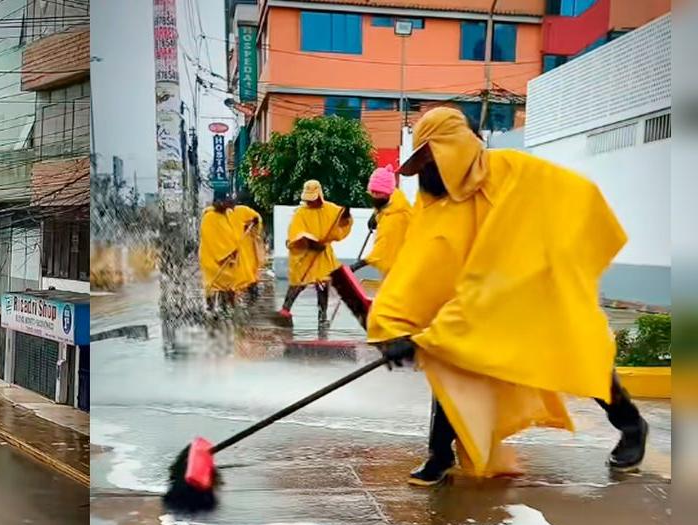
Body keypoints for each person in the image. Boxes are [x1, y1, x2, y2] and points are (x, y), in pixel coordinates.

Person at [368, 107, 648, 486]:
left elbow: (581, 199)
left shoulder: (515, 172)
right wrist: (391, 328)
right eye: (421, 163)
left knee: (581, 355)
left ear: (455, 148)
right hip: (476, 300)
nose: (426, 173)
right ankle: (440, 452)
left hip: (539, 293)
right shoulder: (440, 204)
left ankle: (631, 426)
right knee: (450, 357)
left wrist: (559, 258)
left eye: (431, 159)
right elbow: (417, 266)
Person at [278, 180, 352, 337]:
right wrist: (310, 243)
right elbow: (295, 234)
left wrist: (346, 214)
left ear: (320, 195)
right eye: (308, 199)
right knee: (298, 283)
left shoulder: (330, 209)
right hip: (305, 256)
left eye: (313, 198)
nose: (310, 202)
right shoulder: (301, 213)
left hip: (323, 256)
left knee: (322, 285)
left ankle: (322, 317)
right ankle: (285, 310)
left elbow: (342, 222)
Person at [199, 189, 261, 311]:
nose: (229, 205)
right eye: (226, 202)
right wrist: (227, 252)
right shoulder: (209, 217)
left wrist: (250, 224)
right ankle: (209, 308)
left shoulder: (228, 214)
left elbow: (232, 234)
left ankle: (229, 308)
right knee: (213, 284)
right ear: (218, 202)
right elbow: (211, 240)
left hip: (230, 256)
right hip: (212, 258)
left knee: (228, 283)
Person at [351, 165, 413, 279]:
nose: (374, 196)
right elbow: (382, 207)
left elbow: (382, 249)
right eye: (372, 192)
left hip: (401, 268)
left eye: (378, 192)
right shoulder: (390, 203)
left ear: (387, 193)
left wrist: (359, 264)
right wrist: (375, 215)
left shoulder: (396, 218)